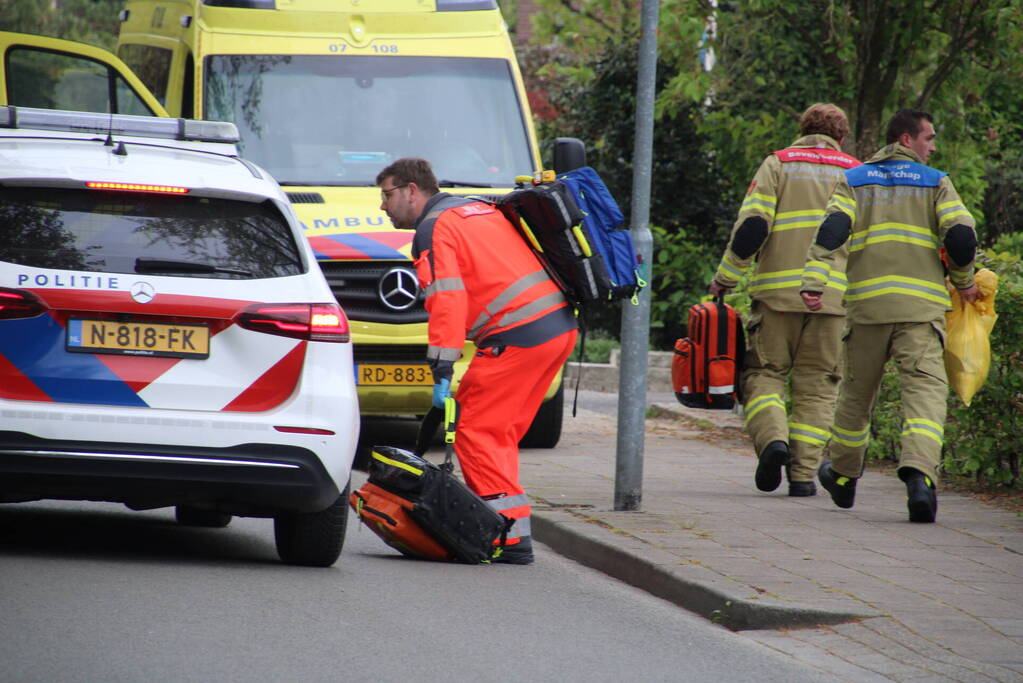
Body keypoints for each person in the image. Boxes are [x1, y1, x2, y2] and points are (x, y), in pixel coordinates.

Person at [376, 157, 578, 564]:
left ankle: (508, 538)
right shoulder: (476, 209)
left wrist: (442, 367)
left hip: (517, 337)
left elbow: (446, 299)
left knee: (476, 432)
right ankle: (509, 526)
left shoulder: (433, 229)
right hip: (556, 328)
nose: (383, 206)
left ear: (412, 191)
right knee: (495, 431)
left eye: (387, 194)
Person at [800, 109, 979, 523]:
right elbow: (960, 235)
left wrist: (814, 283)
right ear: (906, 139)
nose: (932, 146)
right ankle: (919, 476)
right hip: (921, 310)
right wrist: (964, 279)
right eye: (928, 138)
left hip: (868, 309)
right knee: (925, 395)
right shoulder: (937, 182)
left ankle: (843, 477)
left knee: (856, 397)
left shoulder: (856, 180)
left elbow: (832, 229)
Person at [710, 103, 860, 497]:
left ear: (803, 129)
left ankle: (774, 442)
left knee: (764, 375)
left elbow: (753, 226)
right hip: (832, 300)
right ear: (841, 137)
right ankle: (802, 477)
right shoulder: (858, 173)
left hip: (776, 298)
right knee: (818, 388)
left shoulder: (778, 164)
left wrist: (726, 277)